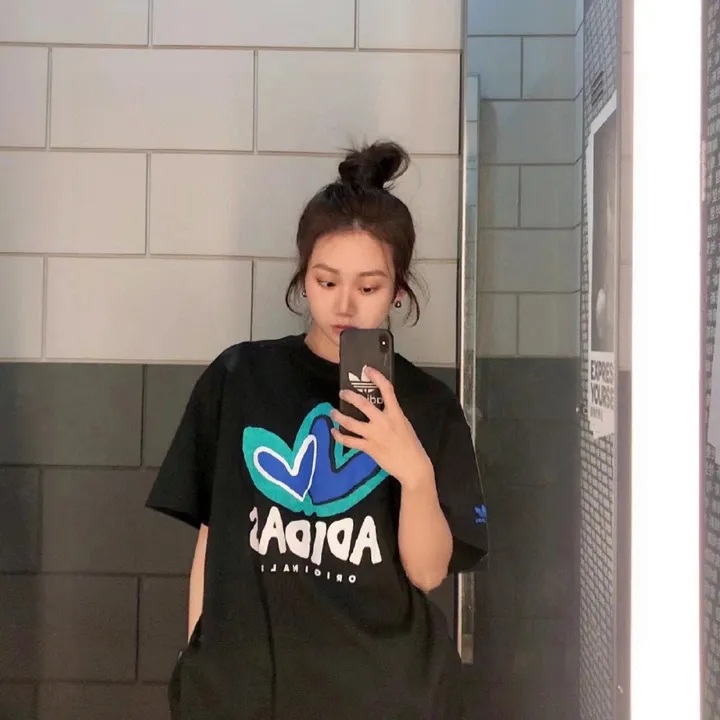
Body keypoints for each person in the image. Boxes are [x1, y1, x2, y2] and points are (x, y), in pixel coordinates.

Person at [145, 140, 489, 720]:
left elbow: (429, 573)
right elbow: (213, 534)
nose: (345, 305)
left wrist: (413, 470)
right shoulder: (239, 377)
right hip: (245, 693)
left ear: (399, 291)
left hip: (387, 695)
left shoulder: (428, 406)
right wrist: (195, 661)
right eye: (327, 282)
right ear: (304, 279)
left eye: (369, 287)